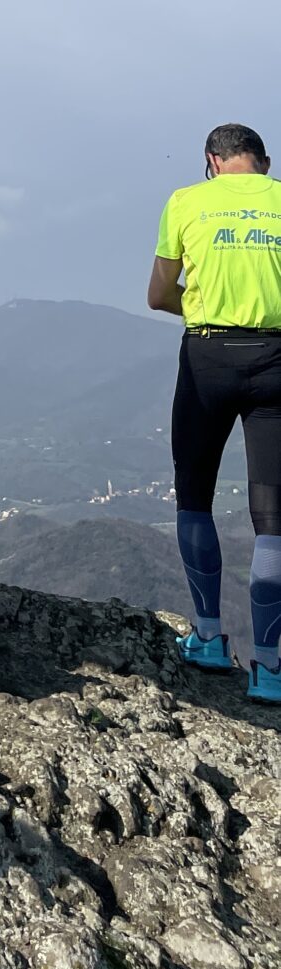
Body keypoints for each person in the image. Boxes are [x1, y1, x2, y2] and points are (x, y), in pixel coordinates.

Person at [148, 124, 281, 703]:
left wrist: (203, 303)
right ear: (264, 162)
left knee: (194, 493)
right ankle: (271, 669)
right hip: (277, 360)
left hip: (206, 357)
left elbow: (158, 294)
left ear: (213, 161)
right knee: (273, 517)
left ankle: (205, 635)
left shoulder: (185, 202)